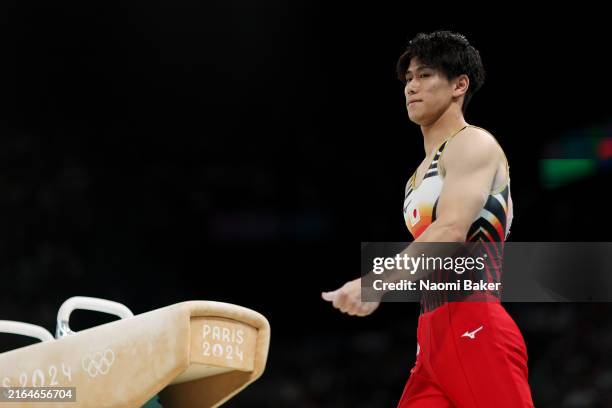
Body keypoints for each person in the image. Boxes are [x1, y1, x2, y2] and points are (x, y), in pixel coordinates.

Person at [322, 31, 534, 407]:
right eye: (408, 79)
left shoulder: (473, 143)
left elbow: (451, 229)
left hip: (474, 322)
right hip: (431, 339)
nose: (411, 87)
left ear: (459, 85)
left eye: (424, 76)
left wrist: (375, 282)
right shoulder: (416, 178)